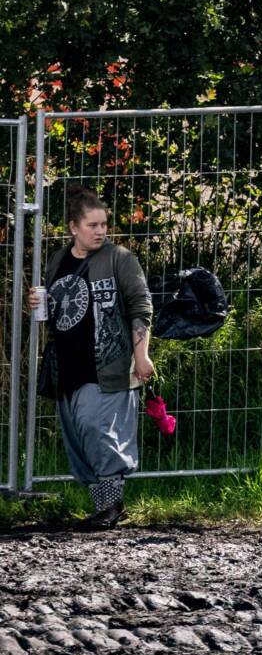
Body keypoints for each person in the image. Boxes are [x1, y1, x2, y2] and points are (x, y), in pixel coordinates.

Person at [26, 188, 155, 527]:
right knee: (79, 439)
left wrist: (141, 356)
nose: (100, 231)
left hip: (107, 368)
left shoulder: (120, 259)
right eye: (92, 225)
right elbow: (59, 307)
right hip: (67, 366)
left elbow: (141, 308)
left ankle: (111, 508)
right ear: (73, 227)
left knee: (100, 432)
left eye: (104, 225)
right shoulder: (58, 260)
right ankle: (105, 508)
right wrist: (38, 305)